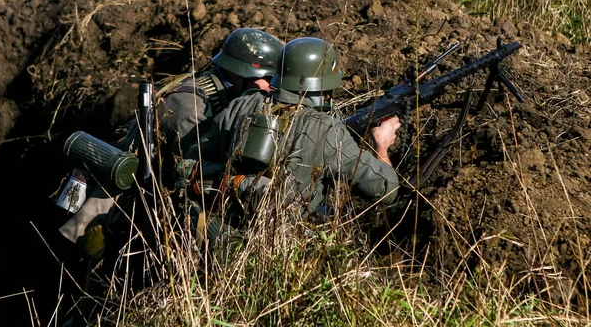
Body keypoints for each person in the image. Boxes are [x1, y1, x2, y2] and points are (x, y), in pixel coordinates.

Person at [58, 28, 284, 326]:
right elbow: (187, 173)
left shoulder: (217, 91)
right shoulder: (188, 109)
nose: (270, 88)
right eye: (268, 79)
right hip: (127, 207)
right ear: (244, 73)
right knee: (101, 302)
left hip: (154, 200)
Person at [179, 37, 401, 249]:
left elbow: (192, 159)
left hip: (218, 235)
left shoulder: (241, 105)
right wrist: (381, 145)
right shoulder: (326, 129)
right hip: (282, 248)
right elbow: (386, 190)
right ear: (324, 87)